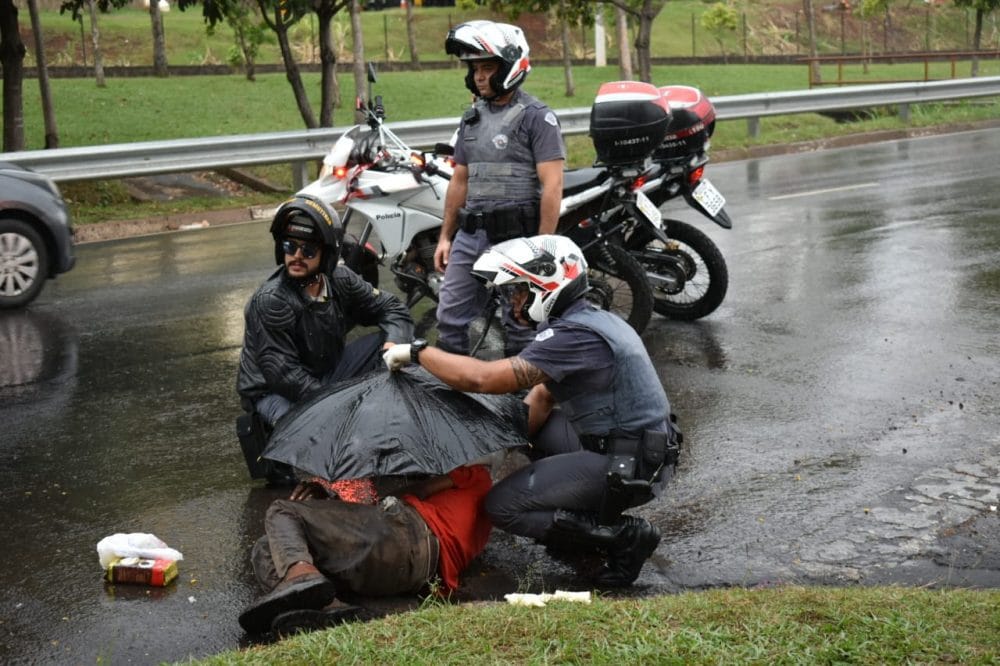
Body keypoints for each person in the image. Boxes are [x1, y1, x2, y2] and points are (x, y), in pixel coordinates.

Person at [384, 235, 681, 588]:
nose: (514, 301)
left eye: (521, 291)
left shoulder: (574, 335)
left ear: (547, 285)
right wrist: (500, 450)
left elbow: (482, 379)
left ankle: (623, 536)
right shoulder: (587, 319)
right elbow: (541, 396)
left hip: (634, 465)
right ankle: (576, 520)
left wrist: (417, 352)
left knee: (501, 505)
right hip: (639, 447)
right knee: (532, 426)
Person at [434, 20, 566, 356]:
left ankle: (523, 388)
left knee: (521, 323)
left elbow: (553, 187)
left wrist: (542, 249)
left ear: (509, 67)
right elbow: (460, 180)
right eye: (475, 69)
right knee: (449, 320)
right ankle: (450, 385)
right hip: (470, 237)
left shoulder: (537, 117)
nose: (479, 76)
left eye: (487, 68)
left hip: (517, 238)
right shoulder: (471, 118)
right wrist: (446, 237)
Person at [239, 464, 493, 635]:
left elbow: (397, 499)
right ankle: (328, 607)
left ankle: (302, 577)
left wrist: (325, 504)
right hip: (416, 574)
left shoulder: (475, 473)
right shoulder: (482, 513)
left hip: (408, 533)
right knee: (268, 546)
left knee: (283, 511)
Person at [237, 194, 414, 428]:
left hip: (324, 371)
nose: (297, 256)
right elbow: (286, 376)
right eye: (290, 246)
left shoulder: (341, 280)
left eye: (308, 250)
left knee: (405, 349)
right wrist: (344, 406)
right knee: (318, 431)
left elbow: (392, 308)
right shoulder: (272, 301)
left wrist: (393, 346)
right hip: (275, 391)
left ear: (326, 254)